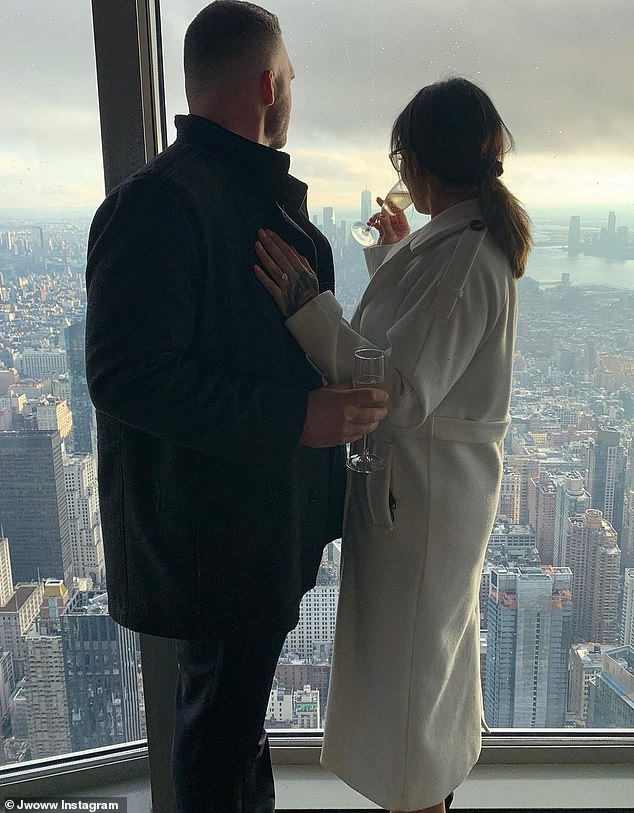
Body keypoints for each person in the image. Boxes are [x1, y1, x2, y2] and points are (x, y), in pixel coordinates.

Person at [84, 2, 388, 812]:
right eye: (288, 77)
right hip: (218, 546)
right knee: (219, 748)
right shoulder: (164, 203)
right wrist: (300, 417)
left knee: (233, 734)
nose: (291, 91)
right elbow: (126, 376)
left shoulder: (234, 196)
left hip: (248, 536)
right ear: (267, 83)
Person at [254, 77, 532, 813]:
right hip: (424, 497)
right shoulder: (462, 241)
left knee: (412, 694)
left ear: (422, 160)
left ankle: (420, 803)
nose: (399, 170)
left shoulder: (469, 254)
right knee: (418, 681)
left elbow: (401, 391)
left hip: (424, 505)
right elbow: (416, 345)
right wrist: (394, 260)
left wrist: (308, 313)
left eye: (403, 154)